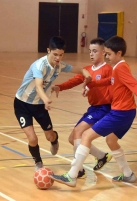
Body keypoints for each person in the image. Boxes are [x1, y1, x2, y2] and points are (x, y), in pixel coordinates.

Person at [50, 36, 137, 187]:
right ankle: (128, 174)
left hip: (117, 112)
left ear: (118, 53)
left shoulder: (118, 68)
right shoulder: (118, 67)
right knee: (110, 140)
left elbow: (135, 84)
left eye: (108, 54)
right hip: (124, 112)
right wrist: (91, 84)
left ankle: (72, 175)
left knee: (86, 136)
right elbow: (109, 82)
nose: (107, 56)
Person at [14, 36, 91, 171]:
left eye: (61, 55)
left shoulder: (59, 66)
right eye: (55, 54)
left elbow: (78, 69)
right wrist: (45, 99)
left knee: (50, 136)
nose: (58, 58)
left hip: (38, 106)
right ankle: (38, 162)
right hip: (22, 104)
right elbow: (38, 86)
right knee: (32, 138)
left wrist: (86, 73)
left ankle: (54, 140)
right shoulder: (39, 66)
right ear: (48, 50)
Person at [51, 38, 112, 179]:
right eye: (90, 51)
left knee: (78, 131)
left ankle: (77, 169)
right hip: (93, 108)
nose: (91, 54)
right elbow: (74, 81)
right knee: (73, 138)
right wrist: (60, 86)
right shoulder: (87, 70)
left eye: (95, 51)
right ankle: (102, 156)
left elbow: (112, 86)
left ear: (103, 52)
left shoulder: (108, 69)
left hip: (104, 108)